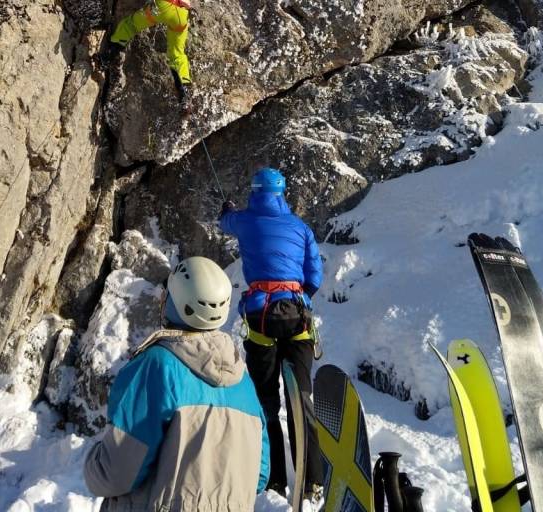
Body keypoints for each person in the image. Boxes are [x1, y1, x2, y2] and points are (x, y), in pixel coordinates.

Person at [84, 256, 270, 511]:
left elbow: (114, 473)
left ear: (177, 304)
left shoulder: (156, 367)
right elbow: (258, 476)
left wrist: (93, 463)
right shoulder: (244, 382)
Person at [219, 167, 324, 502]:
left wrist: (226, 210)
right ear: (282, 193)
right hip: (296, 316)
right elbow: (314, 275)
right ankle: (312, 480)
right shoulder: (300, 227)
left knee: (266, 400)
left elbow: (225, 223)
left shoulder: (245, 221)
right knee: (300, 397)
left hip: (261, 317)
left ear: (255, 191)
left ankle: (273, 479)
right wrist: (296, 295)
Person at [105, 0, 194, 113]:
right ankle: (184, 92)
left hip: (162, 6)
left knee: (129, 25)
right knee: (177, 54)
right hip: (181, 14)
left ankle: (108, 56)